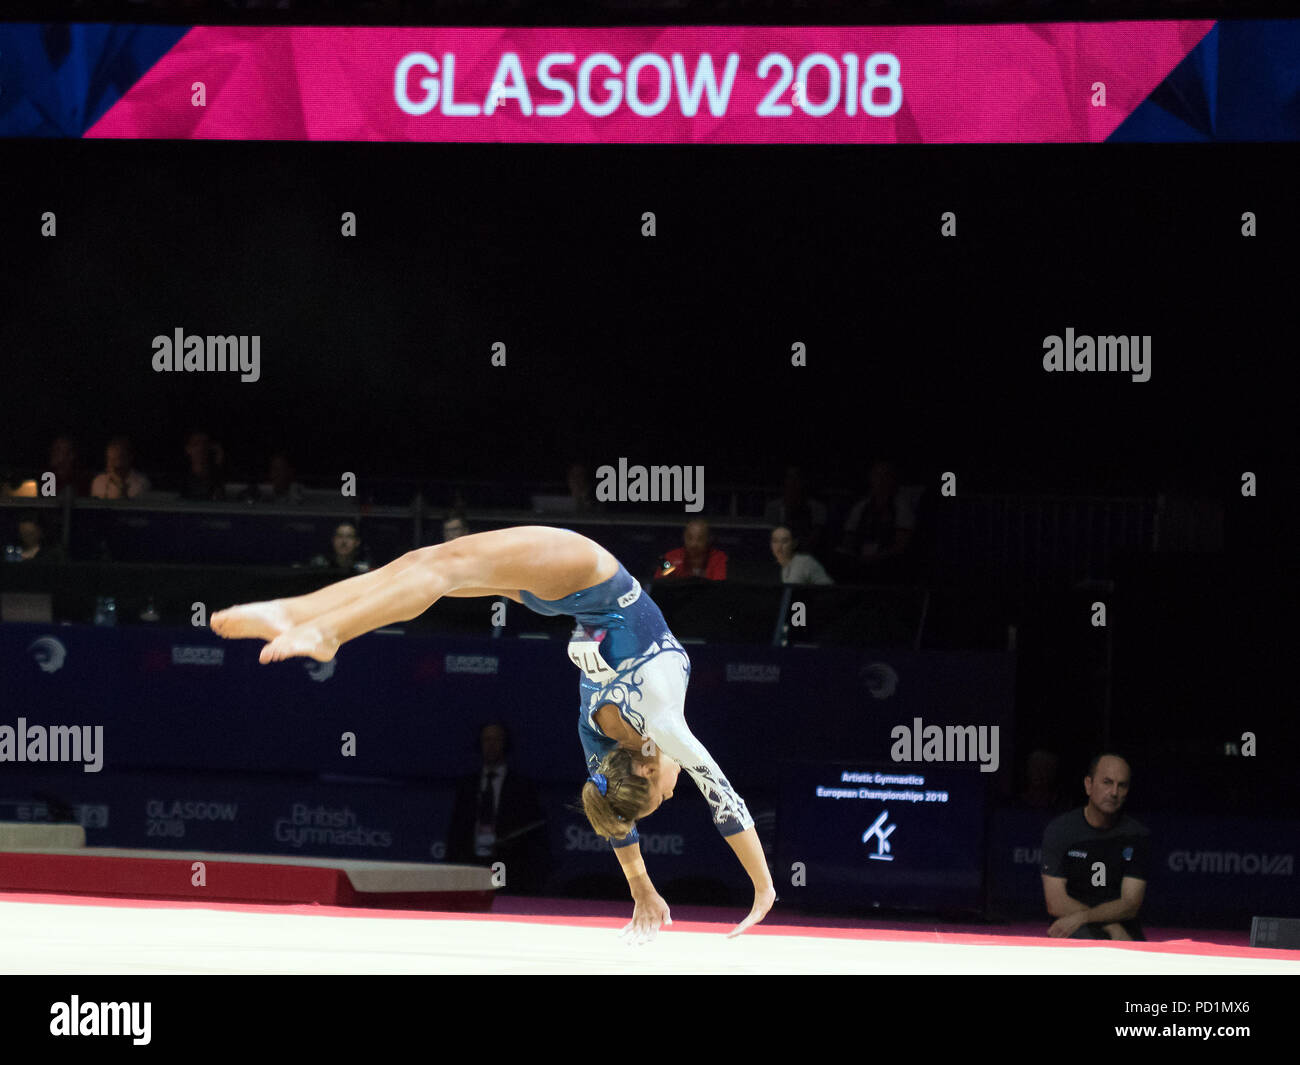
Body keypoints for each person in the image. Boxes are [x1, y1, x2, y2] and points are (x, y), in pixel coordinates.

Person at [210, 525, 775, 940]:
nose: (677, 785)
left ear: (647, 765)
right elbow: (619, 811)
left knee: (435, 567)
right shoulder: (603, 739)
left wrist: (763, 889)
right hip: (563, 596)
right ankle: (300, 612)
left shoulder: (661, 729)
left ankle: (326, 630)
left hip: (586, 574)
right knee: (424, 561)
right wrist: (642, 888)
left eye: (667, 790)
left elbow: (722, 799)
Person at [1040, 754, 1148, 941]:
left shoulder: (1137, 835)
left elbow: (1130, 904)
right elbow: (1055, 902)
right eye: (1107, 782)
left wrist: (1086, 916)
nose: (1114, 792)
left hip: (1123, 929)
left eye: (1121, 785)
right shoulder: (1060, 830)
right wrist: (1109, 925)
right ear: (1088, 785)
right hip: (1071, 925)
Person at [445, 722, 550, 894]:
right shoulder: (468, 786)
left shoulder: (521, 786)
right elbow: (456, 830)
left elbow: (533, 834)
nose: (491, 745)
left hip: (509, 866)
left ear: (505, 744)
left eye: (496, 740)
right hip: (472, 863)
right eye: (486, 740)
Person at [654, 518, 727, 581]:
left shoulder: (719, 559)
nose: (694, 544)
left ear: (709, 539)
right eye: (690, 538)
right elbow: (660, 586)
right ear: (684, 537)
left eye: (700, 539)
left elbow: (719, 587)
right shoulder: (669, 559)